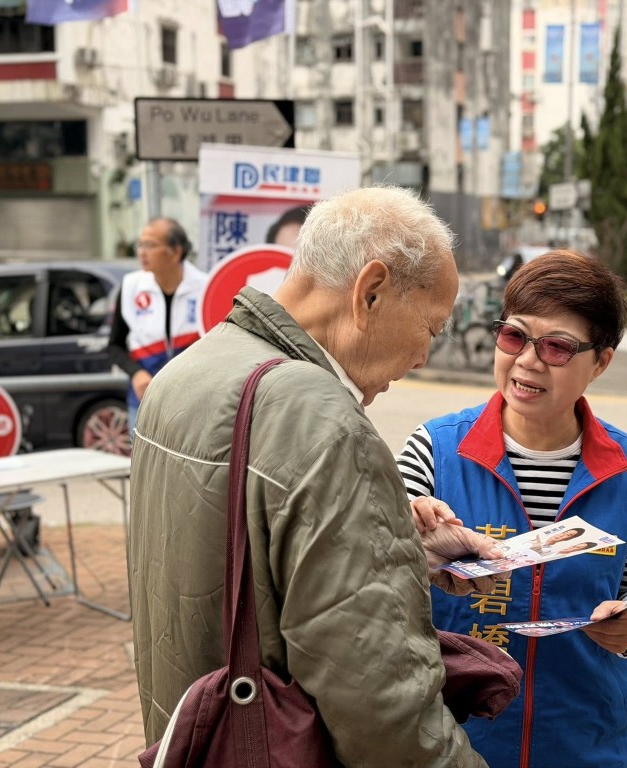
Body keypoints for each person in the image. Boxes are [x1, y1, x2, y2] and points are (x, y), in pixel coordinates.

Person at [129, 186, 506, 767]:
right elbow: (384, 711)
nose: (423, 359)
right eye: (431, 329)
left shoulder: (186, 371)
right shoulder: (324, 420)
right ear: (370, 292)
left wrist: (392, 548)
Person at [397, 250, 627, 768]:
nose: (527, 360)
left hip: (583, 737)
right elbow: (372, 567)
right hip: (454, 739)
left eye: (557, 347)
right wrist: (410, 527)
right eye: (514, 336)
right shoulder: (433, 450)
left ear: (601, 362)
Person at [107, 218, 207, 434]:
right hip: (145, 401)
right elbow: (114, 346)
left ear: (175, 252)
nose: (142, 252)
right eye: (140, 244)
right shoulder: (131, 287)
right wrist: (136, 373)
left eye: (150, 245)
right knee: (143, 457)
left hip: (195, 404)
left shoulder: (205, 288)